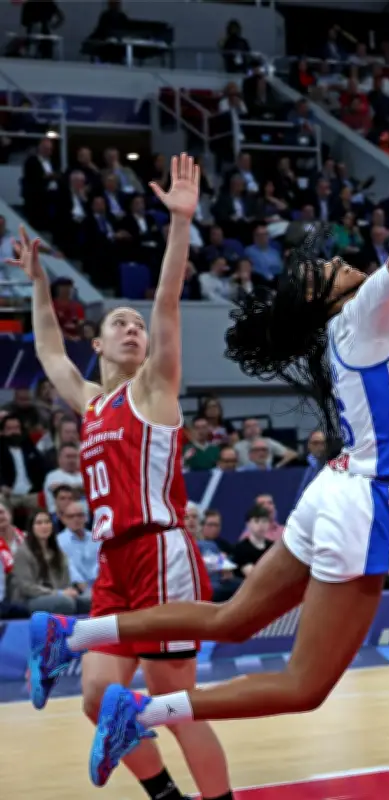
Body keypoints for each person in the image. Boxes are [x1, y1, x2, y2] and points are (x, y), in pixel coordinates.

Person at [26, 88, 389, 789]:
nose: (348, 263)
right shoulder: (363, 316)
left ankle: (73, 635)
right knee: (306, 686)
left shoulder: (380, 341)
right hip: (360, 499)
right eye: (334, 266)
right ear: (333, 291)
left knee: (232, 618)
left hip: (331, 491)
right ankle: (143, 712)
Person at [14, 154, 232, 800]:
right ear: (99, 344)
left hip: (160, 552)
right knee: (95, 695)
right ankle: (167, 796)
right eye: (120, 324)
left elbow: (166, 301)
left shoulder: (155, 388)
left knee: (175, 699)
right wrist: (38, 283)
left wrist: (180, 224)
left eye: (137, 326)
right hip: (114, 563)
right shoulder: (91, 402)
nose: (134, 329)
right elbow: (48, 349)